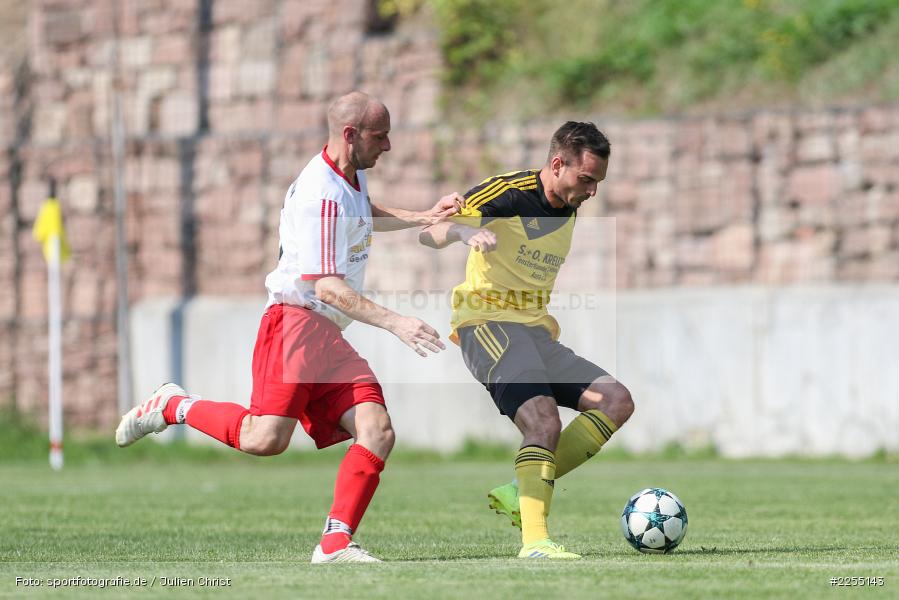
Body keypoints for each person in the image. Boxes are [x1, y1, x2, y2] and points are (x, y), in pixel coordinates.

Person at [116, 91, 461, 564]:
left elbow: (364, 211)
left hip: (325, 335)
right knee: (264, 439)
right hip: (295, 326)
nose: (388, 146)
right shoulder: (321, 192)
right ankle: (173, 405)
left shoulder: (348, 176)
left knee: (376, 429)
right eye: (380, 137)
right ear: (350, 134)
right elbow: (326, 288)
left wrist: (423, 215)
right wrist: (396, 322)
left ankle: (335, 544)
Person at [419, 121, 634, 560]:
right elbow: (430, 231)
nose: (592, 191)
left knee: (615, 400)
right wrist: (463, 231)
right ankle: (535, 543)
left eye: (598, 182)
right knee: (543, 420)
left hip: (535, 331)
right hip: (487, 324)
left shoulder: (569, 199)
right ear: (557, 164)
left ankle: (523, 487)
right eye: (586, 179)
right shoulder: (507, 192)